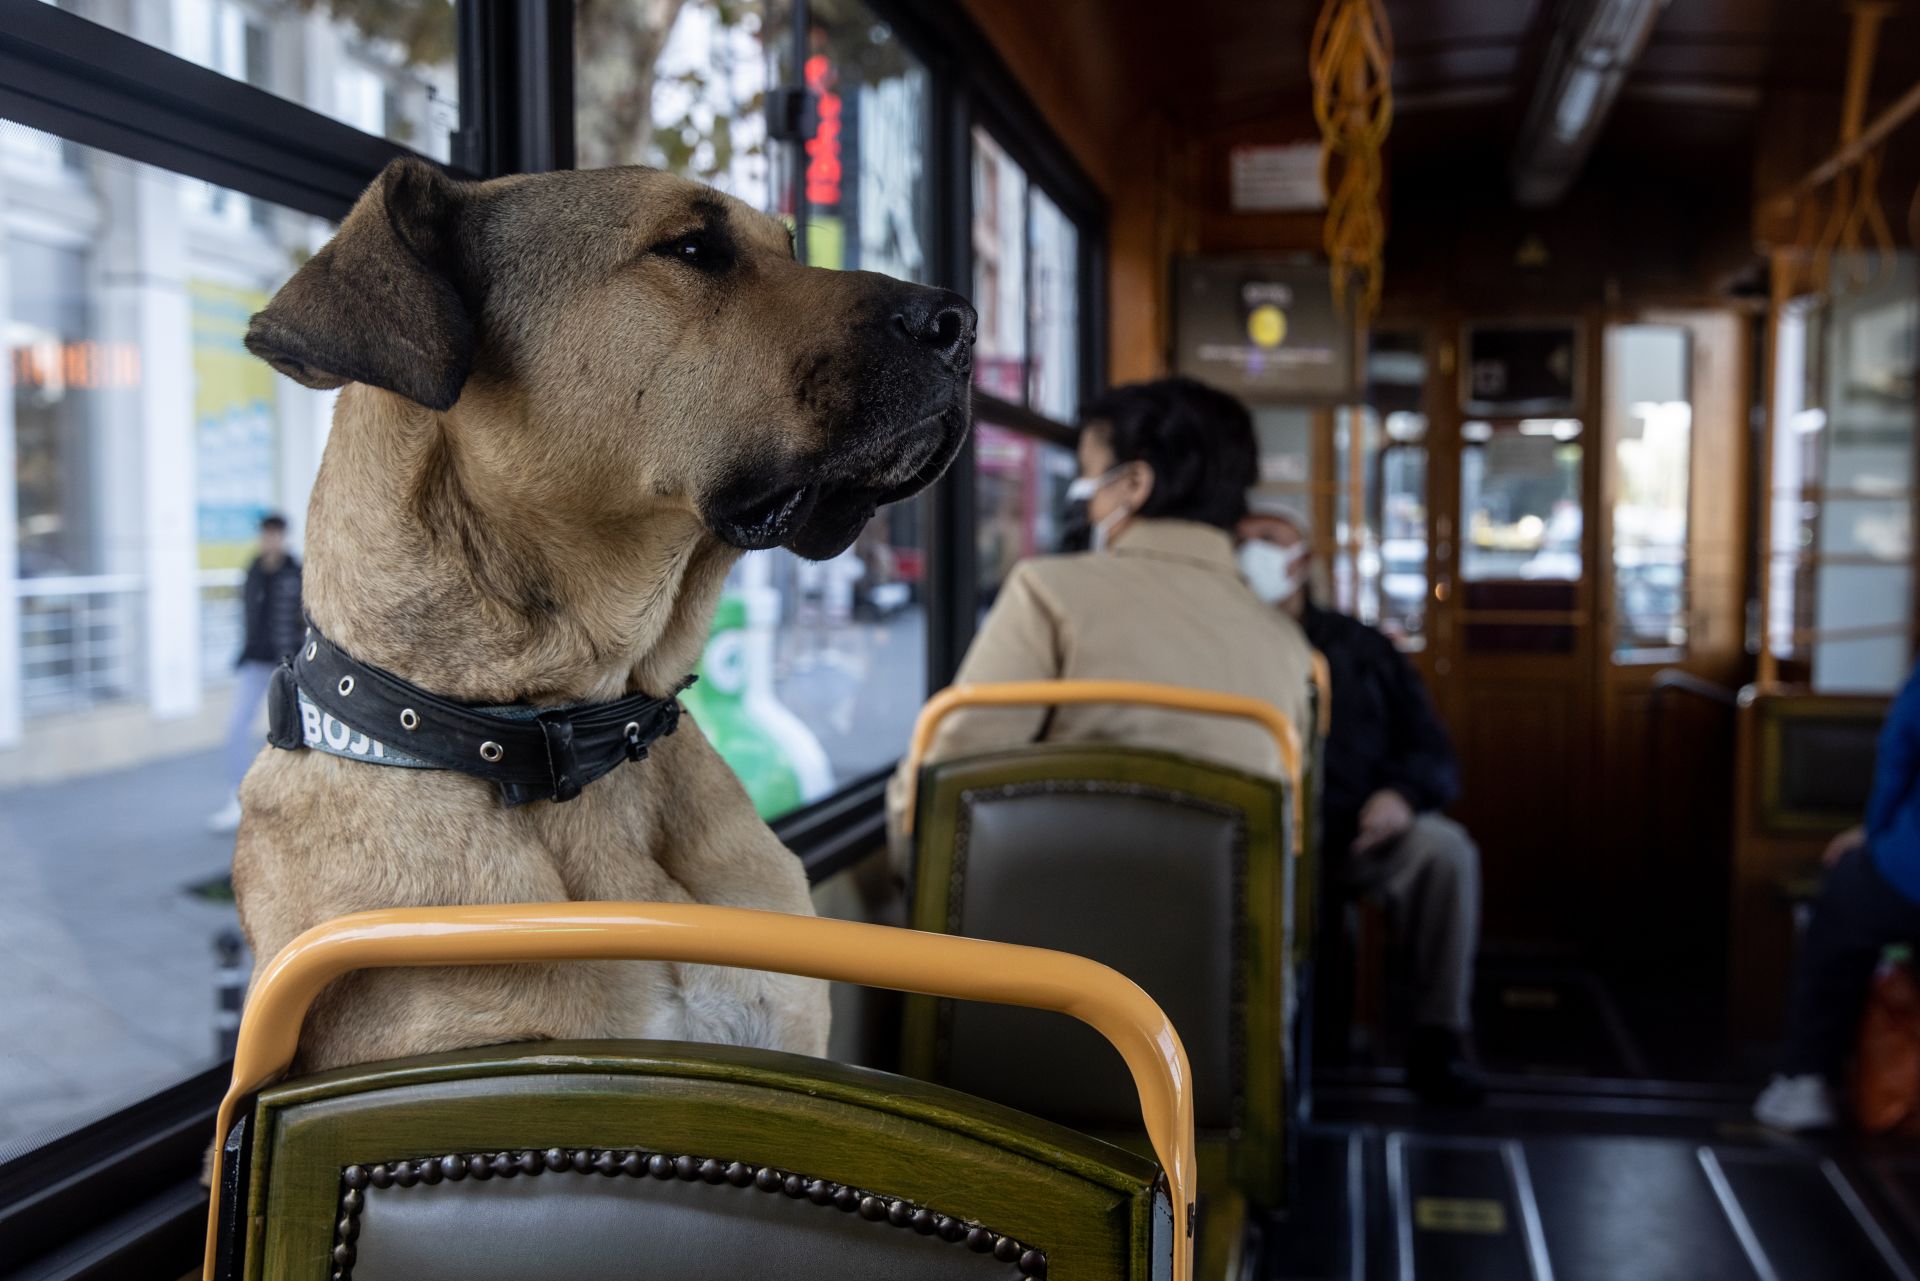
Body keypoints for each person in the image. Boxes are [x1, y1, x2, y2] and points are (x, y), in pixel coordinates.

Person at [886, 377, 1317, 853]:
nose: (1084, 501)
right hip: (1226, 923)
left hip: (1037, 914)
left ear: (1134, 484)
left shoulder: (1049, 593)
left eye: (1088, 478)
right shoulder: (1289, 646)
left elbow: (941, 790)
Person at [1237, 498, 1485, 1106]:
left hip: (1358, 832)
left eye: (1268, 537)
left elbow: (1430, 749)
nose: (1252, 551)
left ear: (1303, 559)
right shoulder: (1225, 645)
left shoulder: (1361, 648)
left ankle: (1439, 1034)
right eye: (1240, 539)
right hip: (1259, 837)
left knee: (1445, 852)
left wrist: (1400, 796)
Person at [1755, 659, 1920, 1131]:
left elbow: (1898, 760)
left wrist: (1874, 833)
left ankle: (1807, 1078)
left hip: (1910, 874)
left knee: (1841, 910)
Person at [207, 513, 303, 833]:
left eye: (276, 534)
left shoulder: (297, 572)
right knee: (234, 729)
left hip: (286, 666)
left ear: (283, 537)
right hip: (254, 663)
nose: (270, 540)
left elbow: (306, 619)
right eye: (266, 534)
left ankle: (294, 800)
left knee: (292, 733)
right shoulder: (253, 571)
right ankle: (237, 798)